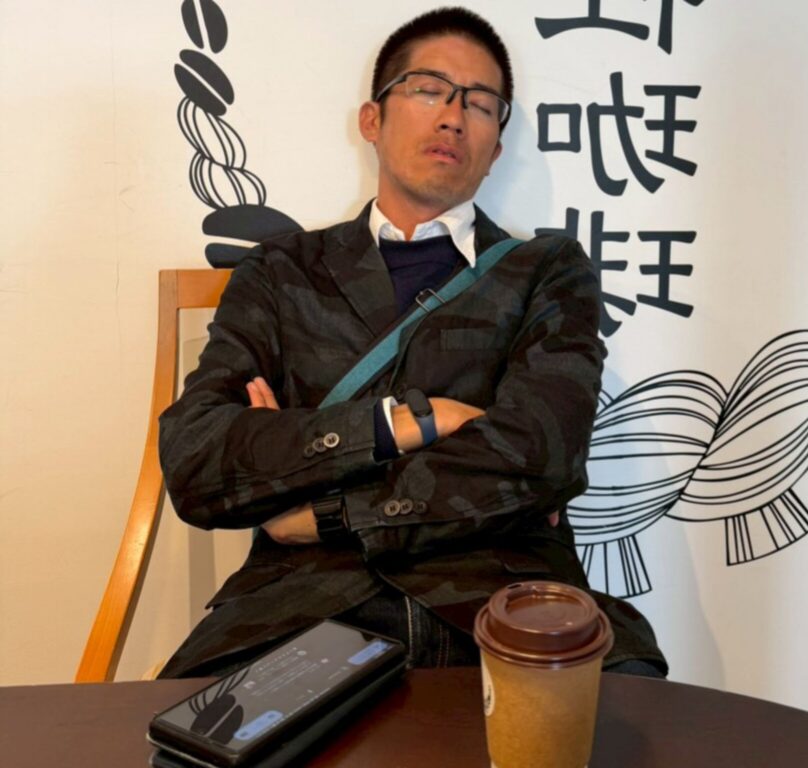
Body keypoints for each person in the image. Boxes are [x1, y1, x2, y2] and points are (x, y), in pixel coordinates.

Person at [158, 6, 666, 679]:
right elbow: (197, 459)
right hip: (300, 607)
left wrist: (323, 509)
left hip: (506, 604)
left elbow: (545, 455)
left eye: (480, 104)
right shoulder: (281, 272)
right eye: (429, 90)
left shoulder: (545, 270)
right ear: (372, 120)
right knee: (183, 732)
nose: (454, 116)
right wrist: (408, 424)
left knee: (629, 720)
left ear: (496, 148)